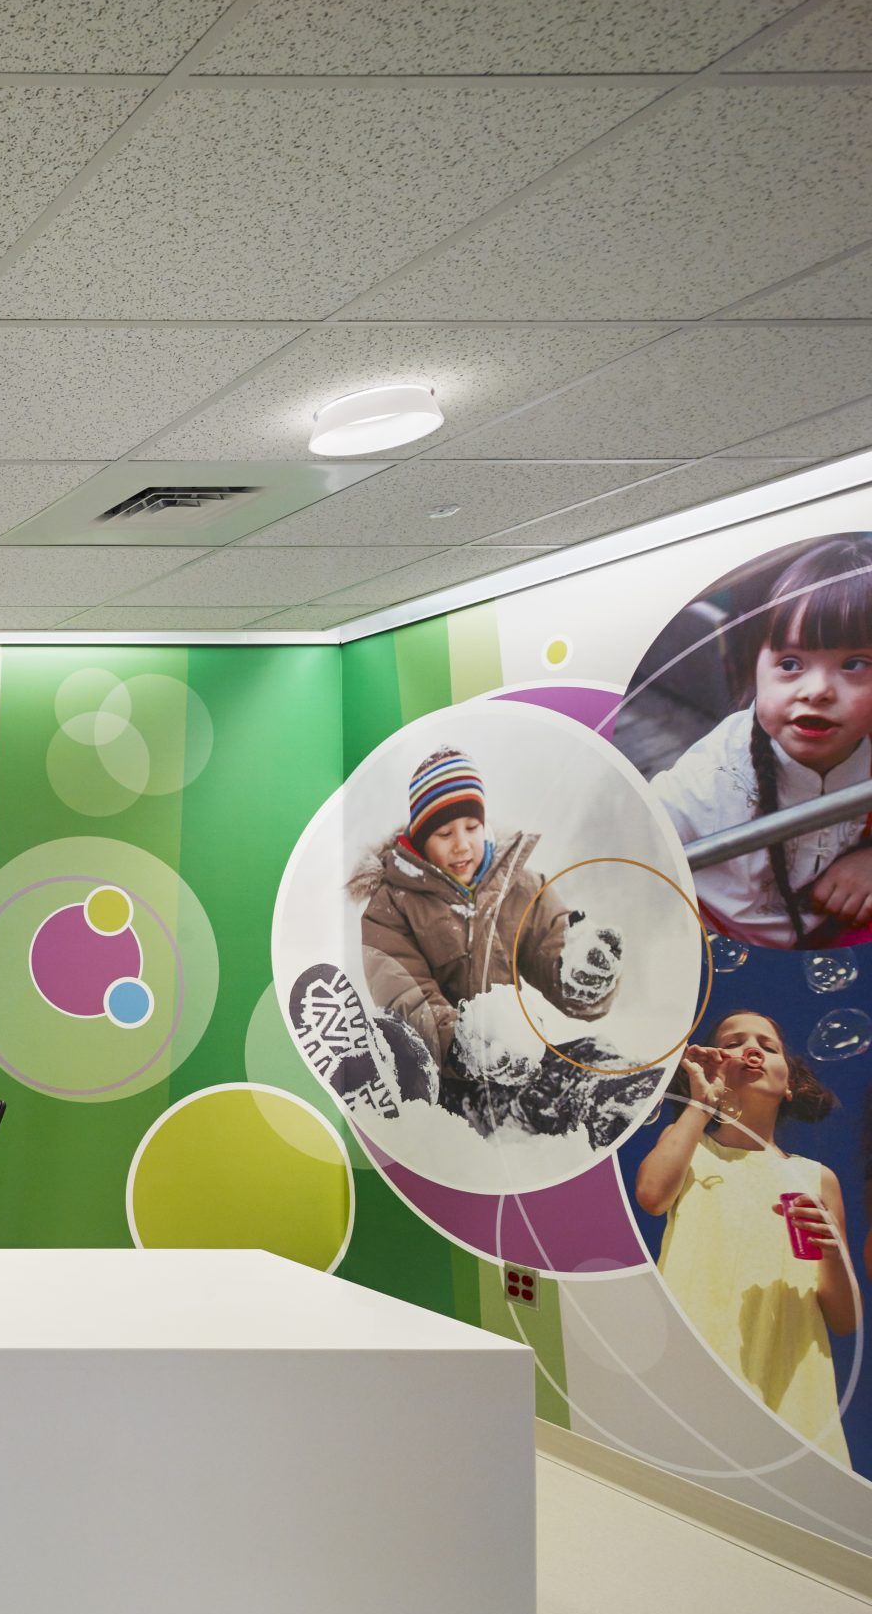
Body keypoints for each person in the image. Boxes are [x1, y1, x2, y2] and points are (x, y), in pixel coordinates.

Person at [351, 746, 635, 1142]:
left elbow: (552, 947)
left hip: (518, 1054)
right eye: (444, 833)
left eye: (471, 826)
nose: (462, 844)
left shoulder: (520, 885)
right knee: (528, 1102)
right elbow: (406, 997)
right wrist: (464, 1044)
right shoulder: (392, 907)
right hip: (445, 1079)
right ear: (419, 838)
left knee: (598, 1064)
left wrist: (580, 975)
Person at [635, 1010, 857, 1460]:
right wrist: (702, 1101)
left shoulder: (815, 1178)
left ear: (789, 1083)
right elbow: (652, 1195)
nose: (750, 1050)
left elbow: (844, 1318)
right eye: (733, 1043)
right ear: (716, 1065)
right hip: (698, 1350)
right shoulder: (693, 1145)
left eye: (767, 1046)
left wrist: (832, 1253)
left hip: (788, 1371)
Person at [649, 535, 872, 947]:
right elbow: (629, 842)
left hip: (826, 924)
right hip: (712, 936)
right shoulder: (710, 777)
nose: (817, 690)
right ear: (754, 670)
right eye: (790, 664)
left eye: (854, 664)